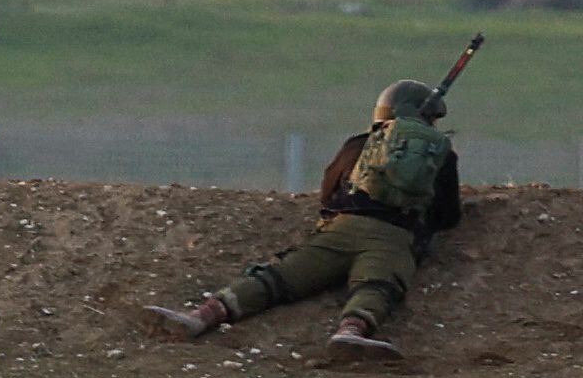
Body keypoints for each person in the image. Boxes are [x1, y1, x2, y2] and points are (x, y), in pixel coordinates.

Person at [144, 77, 463, 358]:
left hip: (340, 230)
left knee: (277, 278)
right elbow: (448, 215)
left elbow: (328, 191)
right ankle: (350, 332)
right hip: (394, 239)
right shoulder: (441, 155)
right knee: (376, 287)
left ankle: (202, 316)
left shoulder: (359, 144)